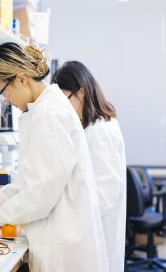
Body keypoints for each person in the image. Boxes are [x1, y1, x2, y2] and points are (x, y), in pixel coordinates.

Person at [0, 43, 108, 272]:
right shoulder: (42, 110)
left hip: (65, 244)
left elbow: (38, 195)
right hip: (60, 234)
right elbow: (30, 179)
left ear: (22, 79)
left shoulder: (49, 115)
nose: (7, 101)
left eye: (4, 93)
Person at [52, 61, 126, 272]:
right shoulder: (92, 128)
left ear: (81, 92)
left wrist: (63, 218)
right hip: (89, 235)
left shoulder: (100, 131)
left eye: (64, 100)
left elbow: (105, 197)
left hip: (97, 237)